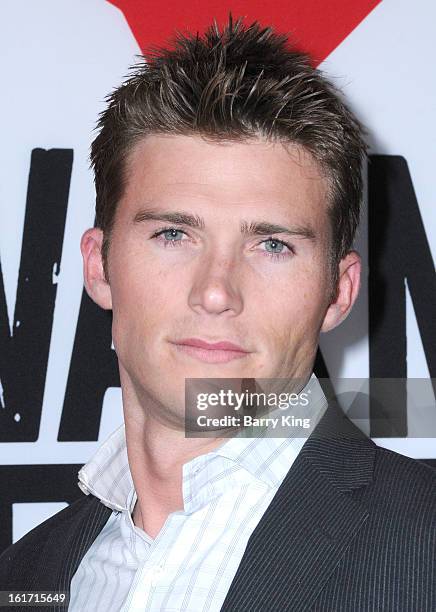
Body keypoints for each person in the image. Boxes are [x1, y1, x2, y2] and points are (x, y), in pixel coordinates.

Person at [1, 15, 434, 612]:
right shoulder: (27, 573)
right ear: (100, 267)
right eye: (174, 234)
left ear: (338, 292)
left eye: (272, 245)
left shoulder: (426, 545)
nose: (215, 292)